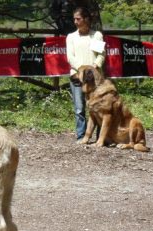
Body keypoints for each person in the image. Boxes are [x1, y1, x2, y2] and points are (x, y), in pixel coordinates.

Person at [66, 7, 105, 142]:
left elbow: (100, 55)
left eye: (78, 19)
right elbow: (70, 57)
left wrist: (93, 68)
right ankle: (81, 136)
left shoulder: (96, 35)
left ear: (86, 19)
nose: (75, 21)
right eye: (74, 19)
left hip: (94, 78)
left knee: (99, 106)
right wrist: (83, 69)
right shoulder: (71, 37)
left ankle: (101, 137)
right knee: (79, 108)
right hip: (77, 76)